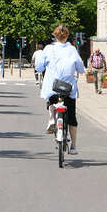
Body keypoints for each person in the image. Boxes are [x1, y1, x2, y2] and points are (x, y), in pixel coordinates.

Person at [37, 25, 85, 155]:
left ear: (55, 36)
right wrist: (80, 70)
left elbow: (39, 67)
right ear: (67, 36)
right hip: (68, 88)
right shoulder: (72, 50)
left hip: (52, 87)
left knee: (51, 101)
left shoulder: (48, 49)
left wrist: (43, 67)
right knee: (72, 118)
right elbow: (80, 67)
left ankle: (52, 117)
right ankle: (74, 147)